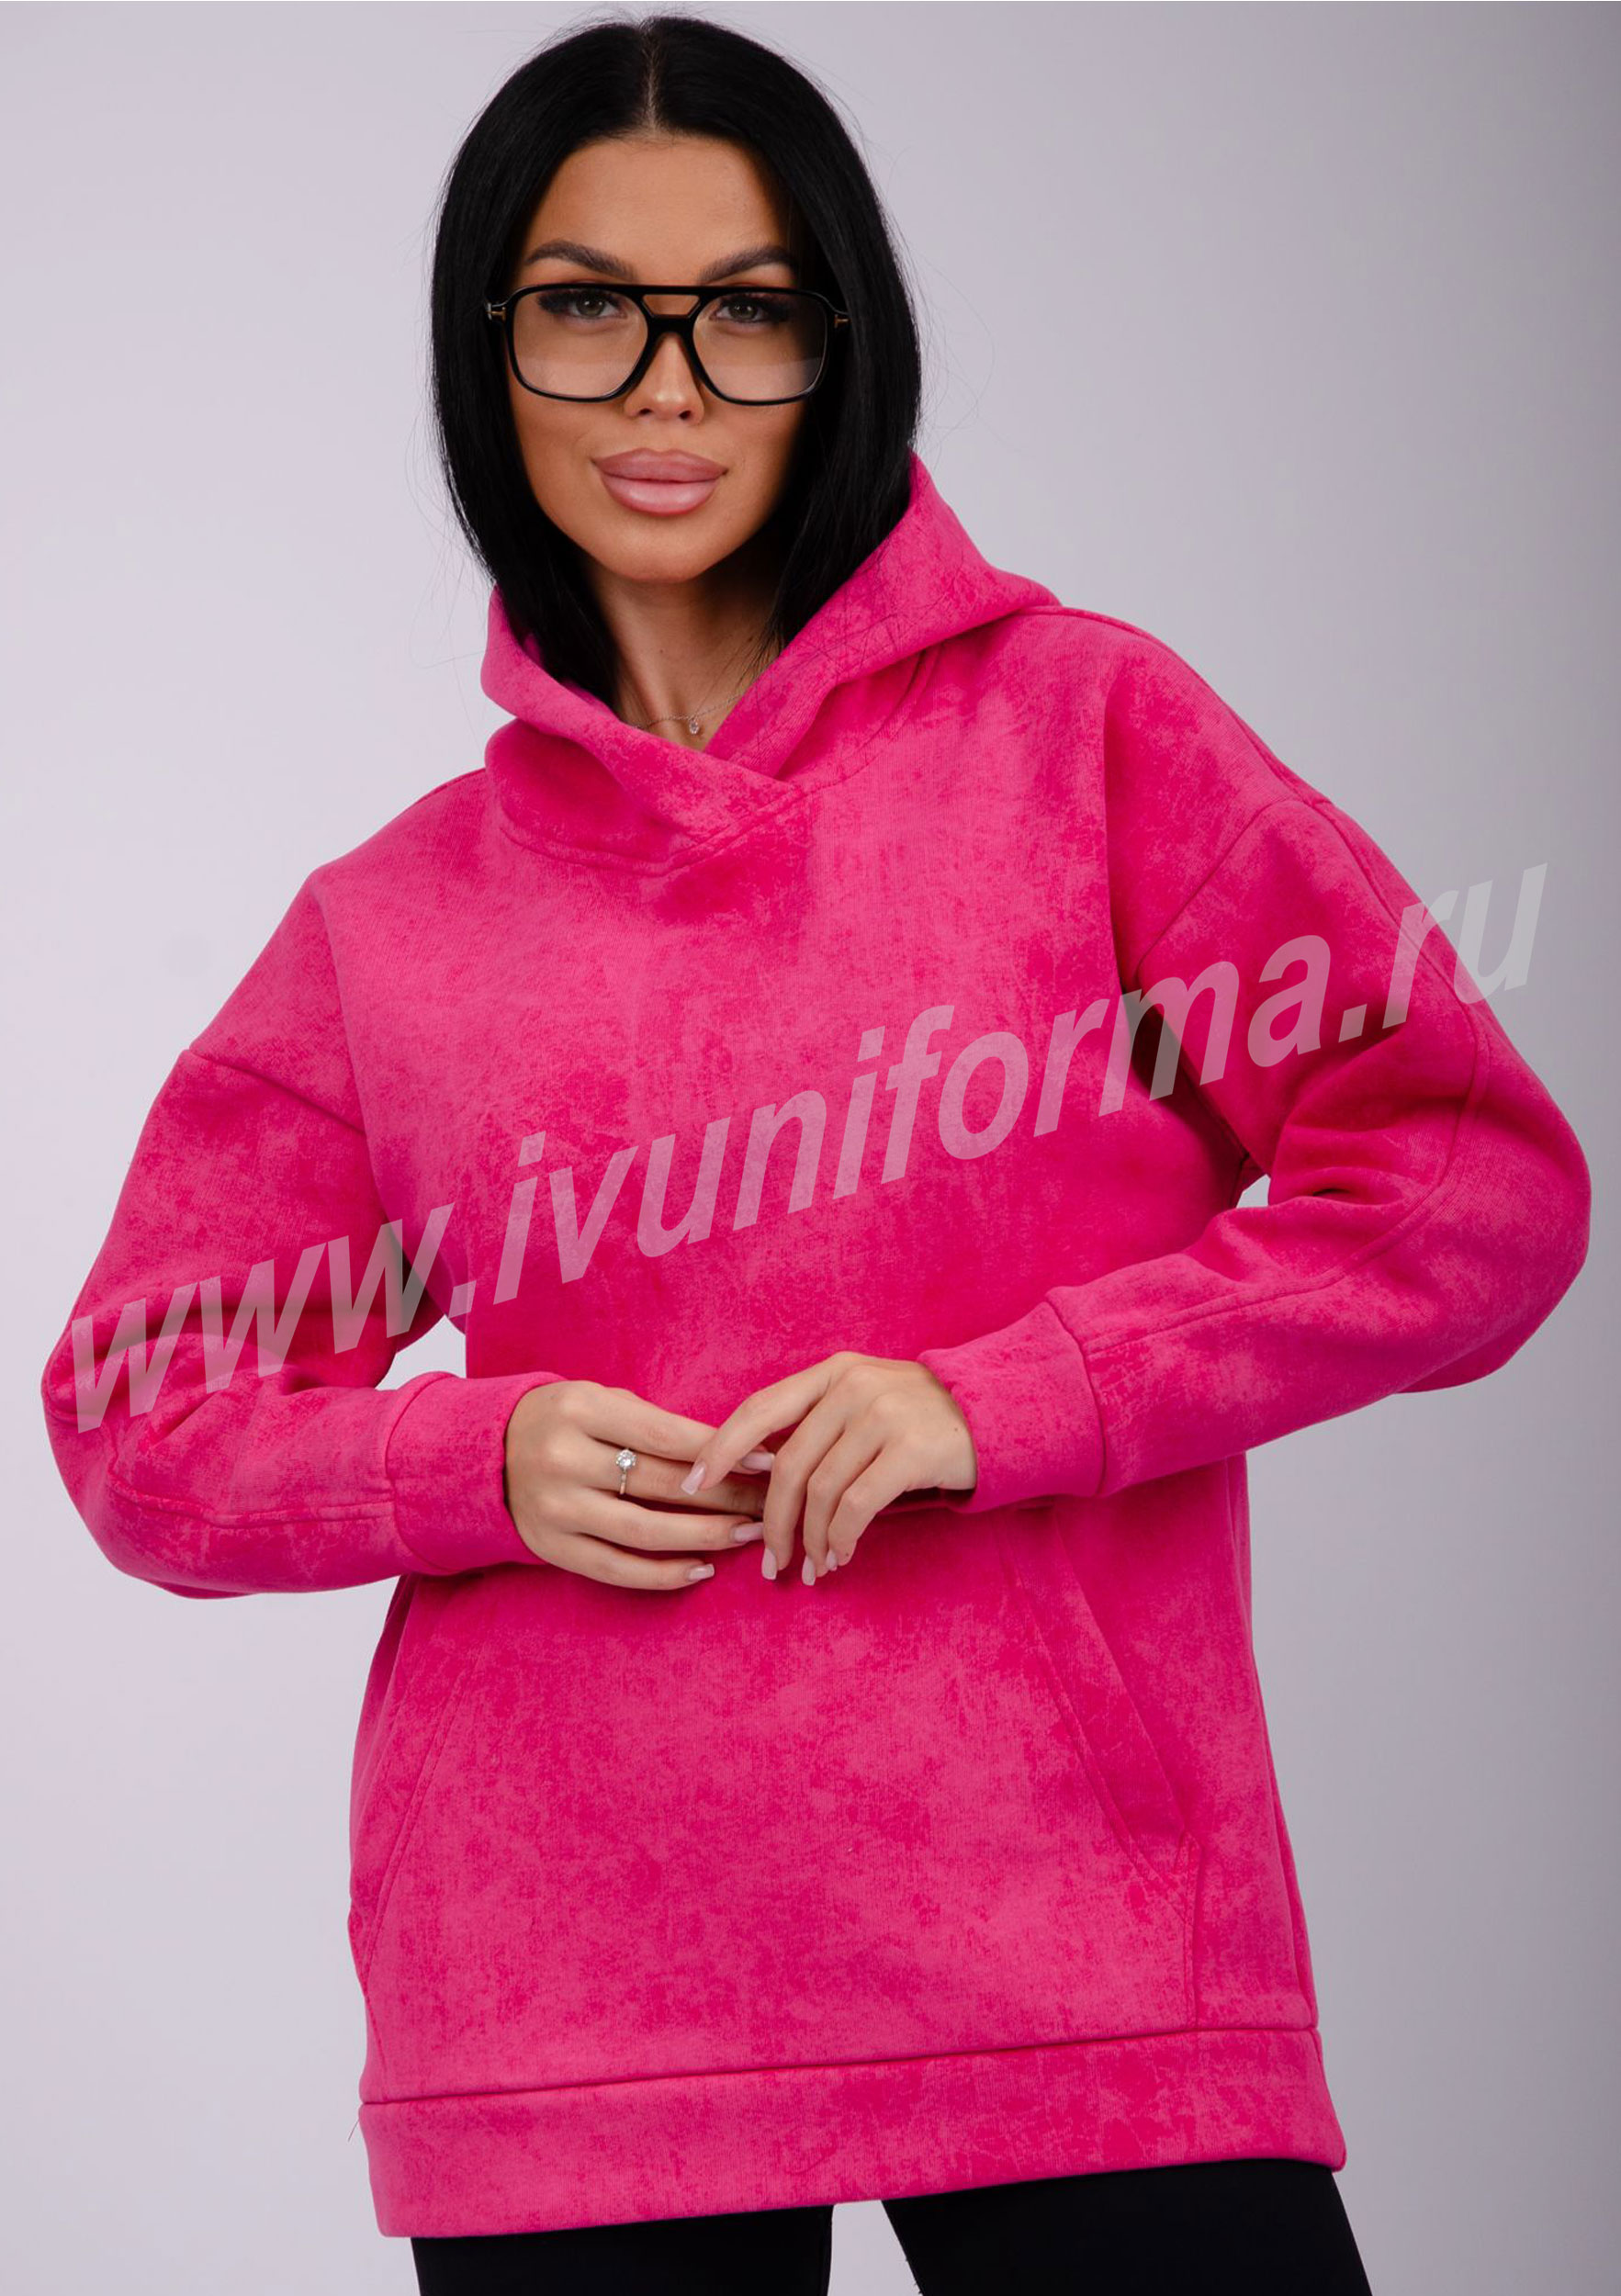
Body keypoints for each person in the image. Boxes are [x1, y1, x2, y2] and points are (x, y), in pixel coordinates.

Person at [39, 14, 1589, 2293]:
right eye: (588, 304)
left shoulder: (1088, 732)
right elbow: (140, 1407)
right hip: (566, 1998)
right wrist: (472, 1455)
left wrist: (1005, 1394)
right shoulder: (393, 922)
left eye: (744, 310)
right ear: (489, 347)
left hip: (1081, 1943)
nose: (664, 386)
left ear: (837, 343)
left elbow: (1463, 1182)